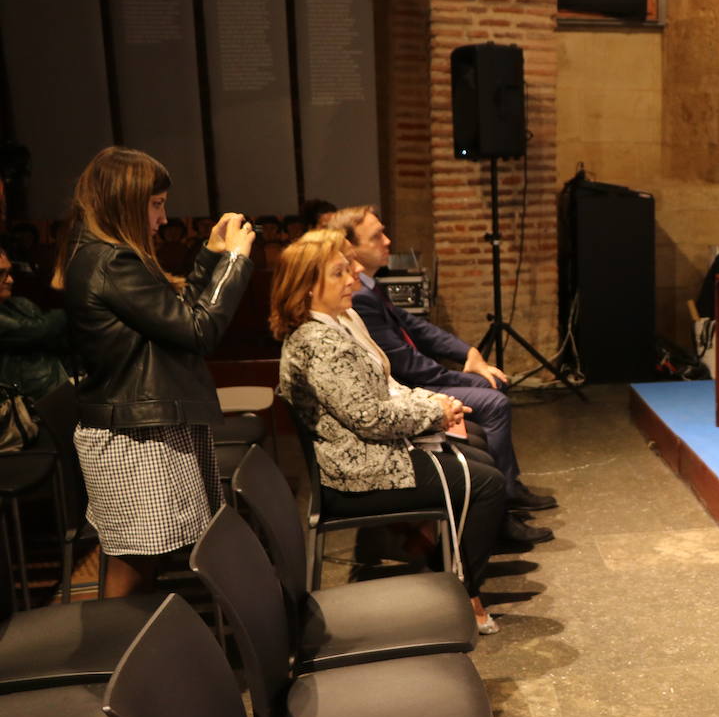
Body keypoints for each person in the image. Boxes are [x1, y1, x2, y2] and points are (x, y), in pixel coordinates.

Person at [271, 230, 505, 631]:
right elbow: (370, 418)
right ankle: (462, 594)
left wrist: (436, 404)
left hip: (370, 451)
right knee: (487, 485)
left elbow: (383, 388)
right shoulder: (319, 343)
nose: (352, 278)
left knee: (478, 453)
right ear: (308, 287)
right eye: (339, 273)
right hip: (358, 470)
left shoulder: (337, 322)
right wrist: (433, 412)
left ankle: (441, 568)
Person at [53, 146, 255, 596]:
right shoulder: (111, 261)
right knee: (134, 566)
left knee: (143, 562)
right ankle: (121, 642)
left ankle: (137, 638)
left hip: (141, 423)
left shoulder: (105, 255)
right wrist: (235, 262)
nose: (163, 218)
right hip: (132, 433)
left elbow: (178, 319)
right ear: (125, 203)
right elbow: (199, 330)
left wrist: (211, 255)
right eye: (156, 204)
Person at [326, 205, 556, 546]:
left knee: (487, 392)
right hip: (401, 397)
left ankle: (503, 496)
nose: (387, 241)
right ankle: (500, 506)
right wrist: (449, 387)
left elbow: (414, 327)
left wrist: (467, 352)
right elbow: (401, 365)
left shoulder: (368, 288)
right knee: (492, 399)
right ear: (350, 249)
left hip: (403, 390)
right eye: (376, 237)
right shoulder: (353, 303)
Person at [0, 244, 69, 398]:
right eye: (0, 274)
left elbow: (55, 341)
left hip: (53, 391)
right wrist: (71, 309)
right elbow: (35, 331)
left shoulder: (20, 305)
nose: (10, 280)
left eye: (9, 273)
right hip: (20, 400)